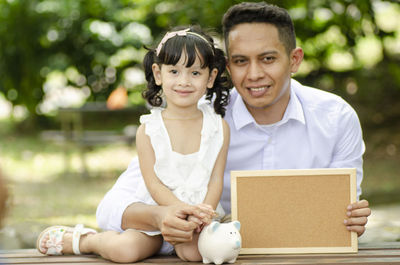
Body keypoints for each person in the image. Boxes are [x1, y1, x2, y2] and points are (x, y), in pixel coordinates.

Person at [95, 1, 371, 254]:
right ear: (227, 67)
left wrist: (351, 219)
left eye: (268, 59)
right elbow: (110, 208)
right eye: (240, 61)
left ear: (294, 60)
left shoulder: (335, 117)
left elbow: (343, 212)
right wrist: (158, 215)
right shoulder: (194, 116)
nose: (253, 74)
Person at [36, 26, 231, 263]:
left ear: (210, 77)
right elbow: (153, 183)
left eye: (195, 73)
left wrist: (201, 216)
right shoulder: (149, 129)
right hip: (159, 210)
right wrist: (178, 210)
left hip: (198, 216)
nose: (184, 81)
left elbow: (215, 180)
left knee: (194, 254)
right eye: (174, 71)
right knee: (125, 251)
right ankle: (85, 240)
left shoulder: (218, 127)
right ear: (158, 74)